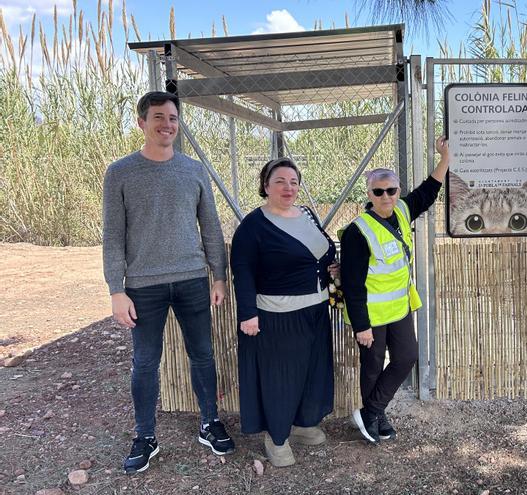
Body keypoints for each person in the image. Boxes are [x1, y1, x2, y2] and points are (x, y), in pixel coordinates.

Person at [102, 91, 234, 474]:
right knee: (145, 362)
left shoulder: (193, 170)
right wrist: (116, 289)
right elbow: (113, 235)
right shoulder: (120, 172)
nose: (167, 124)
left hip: (193, 279)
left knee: (203, 355)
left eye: (173, 118)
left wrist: (219, 275)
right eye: (158, 117)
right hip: (144, 286)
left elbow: (210, 225)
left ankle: (209, 423)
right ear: (142, 122)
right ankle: (145, 436)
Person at [230, 158, 338, 467]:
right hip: (278, 317)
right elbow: (243, 271)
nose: (288, 187)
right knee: (282, 378)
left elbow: (322, 252)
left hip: (316, 311)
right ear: (266, 186)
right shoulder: (254, 225)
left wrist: (331, 266)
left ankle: (303, 424)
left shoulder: (305, 215)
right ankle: (276, 438)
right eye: (280, 181)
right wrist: (247, 313)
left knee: (312, 372)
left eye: (293, 181)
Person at [341, 137, 449, 444]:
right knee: (373, 366)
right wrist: (361, 326)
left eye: (391, 190)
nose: (385, 196)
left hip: (399, 308)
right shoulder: (358, 231)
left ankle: (371, 410)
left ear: (398, 190)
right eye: (379, 191)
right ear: (369, 193)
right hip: (371, 315)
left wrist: (445, 158)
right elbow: (351, 283)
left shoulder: (402, 211)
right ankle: (377, 414)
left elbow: (428, 191)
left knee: (406, 357)